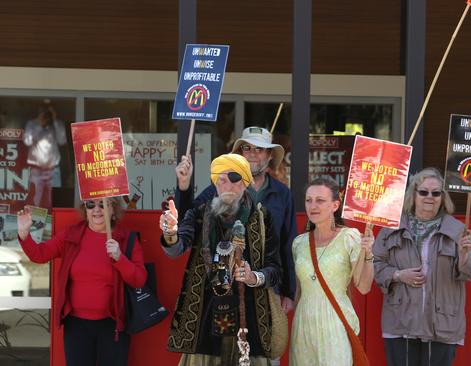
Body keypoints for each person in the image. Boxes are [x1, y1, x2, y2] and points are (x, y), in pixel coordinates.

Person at [160, 153, 282, 366]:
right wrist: (170, 233)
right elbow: (177, 248)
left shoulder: (263, 218)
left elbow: (275, 270)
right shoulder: (200, 213)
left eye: (232, 177)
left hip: (250, 319)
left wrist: (254, 277)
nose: (225, 184)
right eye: (219, 179)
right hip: (205, 319)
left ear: (245, 182)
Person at [175, 126, 297, 313]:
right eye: (246, 148)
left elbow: (287, 244)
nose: (252, 154)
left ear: (270, 155)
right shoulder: (221, 187)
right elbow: (188, 220)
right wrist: (184, 188)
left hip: (266, 288)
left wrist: (289, 291)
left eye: (259, 149)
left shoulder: (283, 194)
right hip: (222, 291)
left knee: (261, 342)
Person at [372, 167, 471, 366]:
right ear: (413, 194)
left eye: (436, 193)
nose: (429, 197)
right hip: (401, 322)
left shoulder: (457, 230)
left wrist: (464, 256)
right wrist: (398, 275)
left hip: (441, 325)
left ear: (442, 197)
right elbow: (375, 264)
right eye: (423, 192)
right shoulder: (391, 227)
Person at [16, 197, 146, 366]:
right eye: (91, 204)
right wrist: (24, 234)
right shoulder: (72, 235)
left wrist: (120, 258)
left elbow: (139, 280)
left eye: (103, 204)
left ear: (113, 210)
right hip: (76, 326)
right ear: (85, 209)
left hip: (113, 325)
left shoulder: (126, 238)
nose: (97, 209)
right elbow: (40, 254)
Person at [289, 177, 375, 365]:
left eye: (320, 200)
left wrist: (367, 253)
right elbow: (299, 291)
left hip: (335, 321)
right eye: (308, 200)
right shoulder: (299, 243)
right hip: (304, 323)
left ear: (335, 205)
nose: (313, 206)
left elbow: (364, 286)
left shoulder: (349, 237)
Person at [23, 103, 67, 210]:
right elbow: (27, 141)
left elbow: (62, 141)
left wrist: (55, 120)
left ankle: (53, 223)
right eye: (43, 111)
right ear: (38, 112)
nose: (45, 114)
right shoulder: (32, 124)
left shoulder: (57, 124)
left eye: (48, 112)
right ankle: (37, 223)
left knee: (54, 199)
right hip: (36, 169)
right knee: (36, 199)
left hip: (53, 169)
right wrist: (39, 125)